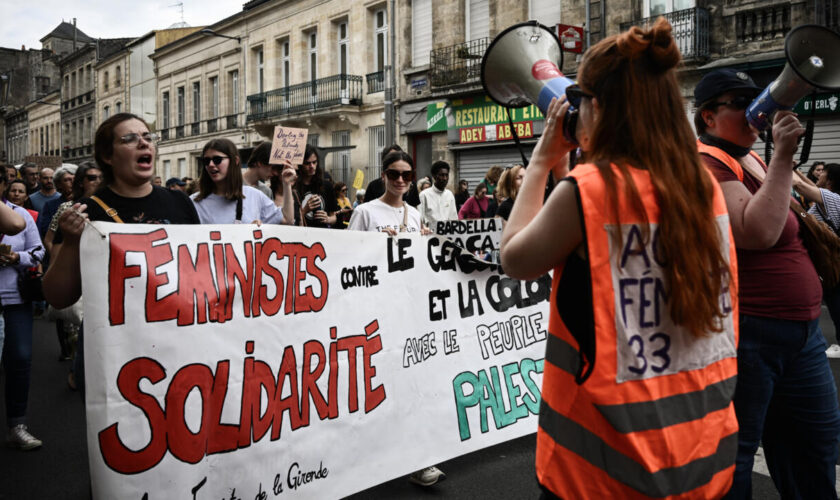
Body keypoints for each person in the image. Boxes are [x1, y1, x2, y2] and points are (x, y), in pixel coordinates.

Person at [502, 19, 739, 498]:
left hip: (604, 471)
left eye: (580, 99)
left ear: (602, 107)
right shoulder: (703, 186)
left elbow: (515, 257)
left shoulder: (590, 191)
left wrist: (543, 162)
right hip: (702, 456)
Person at [694, 66, 840, 497]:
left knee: (813, 446)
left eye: (758, 101)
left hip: (802, 334)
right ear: (708, 116)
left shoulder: (750, 159)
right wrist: (783, 157)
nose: (755, 112)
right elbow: (757, 232)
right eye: (740, 104)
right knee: (735, 457)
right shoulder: (706, 164)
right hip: (749, 334)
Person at [43, 113, 201, 400]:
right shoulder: (87, 212)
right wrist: (70, 243)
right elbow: (58, 296)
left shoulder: (179, 203)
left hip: (175, 346)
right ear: (108, 156)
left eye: (147, 137)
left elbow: (201, 273)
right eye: (129, 139)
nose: (143, 143)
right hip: (115, 352)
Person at [0, 171, 46, 450]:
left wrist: (17, 257)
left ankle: (17, 425)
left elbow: (39, 251)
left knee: (20, 359)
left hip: (16, 298)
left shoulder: (21, 215)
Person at [793, 163, 840, 358]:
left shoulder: (832, 198)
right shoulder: (829, 197)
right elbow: (804, 182)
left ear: (829, 182)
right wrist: (793, 168)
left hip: (833, 262)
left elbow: (800, 186)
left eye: (823, 174)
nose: (818, 176)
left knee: (836, 301)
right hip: (831, 260)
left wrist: (780, 159)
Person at [191, 138, 294, 225]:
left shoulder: (254, 195)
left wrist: (287, 184)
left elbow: (287, 219)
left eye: (217, 159)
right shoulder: (193, 202)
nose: (211, 164)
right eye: (206, 161)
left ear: (235, 161)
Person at [348, 152, 430, 236]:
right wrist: (377, 239)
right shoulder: (363, 212)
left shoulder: (415, 214)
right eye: (393, 174)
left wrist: (425, 238)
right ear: (383, 176)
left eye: (407, 175)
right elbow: (351, 246)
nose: (400, 180)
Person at [295, 144, 338, 228]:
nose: (312, 166)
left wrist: (328, 219)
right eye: (307, 163)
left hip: (322, 235)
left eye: (314, 162)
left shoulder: (327, 185)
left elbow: (334, 217)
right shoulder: (293, 187)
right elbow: (290, 220)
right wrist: (304, 210)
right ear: (300, 165)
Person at [37, 164, 76, 239]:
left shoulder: (86, 201)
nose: (72, 182)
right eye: (67, 180)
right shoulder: (50, 205)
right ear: (59, 184)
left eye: (74, 179)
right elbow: (46, 230)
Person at [418, 160, 457, 228]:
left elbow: (453, 218)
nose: (445, 178)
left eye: (446, 175)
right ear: (434, 176)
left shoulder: (449, 194)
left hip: (447, 235)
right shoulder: (424, 195)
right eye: (441, 175)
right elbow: (420, 219)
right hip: (429, 236)